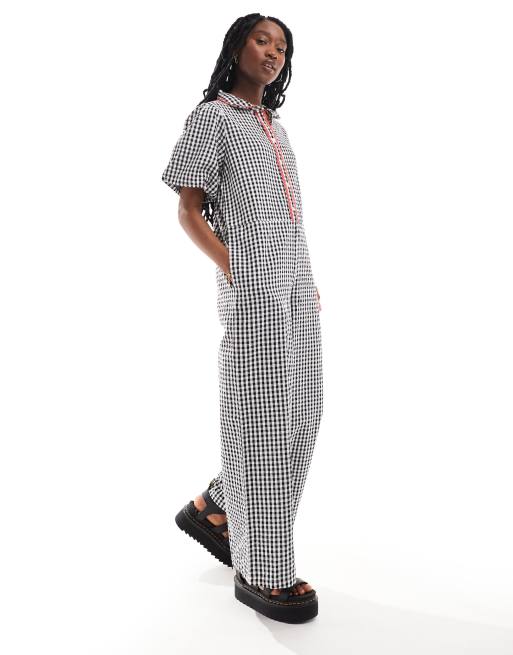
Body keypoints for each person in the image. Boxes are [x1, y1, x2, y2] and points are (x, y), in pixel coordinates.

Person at [162, 13, 323, 623]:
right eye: (262, 40)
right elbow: (189, 210)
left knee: (302, 415)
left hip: (297, 289)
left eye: (282, 46)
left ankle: (218, 507)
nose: (273, 53)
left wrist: (303, 279)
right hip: (255, 292)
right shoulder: (212, 118)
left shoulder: (276, 128)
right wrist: (238, 269)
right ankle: (264, 570)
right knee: (263, 425)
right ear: (236, 47)